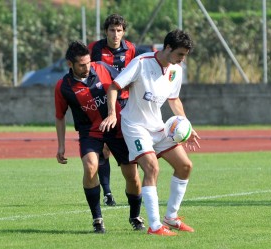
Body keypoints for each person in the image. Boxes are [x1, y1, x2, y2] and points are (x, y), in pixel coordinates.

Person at [100, 29, 201, 236]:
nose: (182, 60)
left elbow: (174, 100)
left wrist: (187, 126)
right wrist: (112, 114)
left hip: (158, 127)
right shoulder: (141, 62)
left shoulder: (176, 70)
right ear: (168, 48)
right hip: (135, 126)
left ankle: (171, 217)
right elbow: (114, 87)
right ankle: (155, 226)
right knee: (152, 168)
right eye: (180, 54)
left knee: (185, 166)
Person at [55, 41, 145, 233]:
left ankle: (135, 216)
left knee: (132, 176)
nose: (87, 67)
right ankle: (97, 219)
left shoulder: (103, 68)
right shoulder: (63, 86)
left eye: (88, 62)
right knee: (90, 167)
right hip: (90, 132)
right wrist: (61, 146)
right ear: (70, 64)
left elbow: (125, 82)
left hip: (117, 128)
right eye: (81, 64)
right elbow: (60, 116)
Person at [88, 13, 138, 206]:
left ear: (123, 32)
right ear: (106, 31)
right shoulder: (96, 48)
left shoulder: (130, 49)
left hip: (125, 104)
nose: (115, 34)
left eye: (119, 30)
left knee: (128, 148)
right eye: (112, 30)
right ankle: (107, 193)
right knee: (103, 148)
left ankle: (135, 188)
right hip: (102, 103)